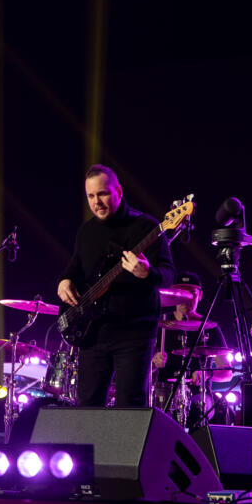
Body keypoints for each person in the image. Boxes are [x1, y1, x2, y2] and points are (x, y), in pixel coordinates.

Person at [57, 164, 176, 406]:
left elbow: (168, 274)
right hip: (93, 332)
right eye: (91, 196)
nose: (96, 202)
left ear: (118, 192)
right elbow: (74, 268)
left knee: (129, 407)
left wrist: (147, 273)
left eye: (102, 194)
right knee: (87, 406)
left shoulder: (146, 227)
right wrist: (64, 281)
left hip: (134, 332)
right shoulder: (87, 231)